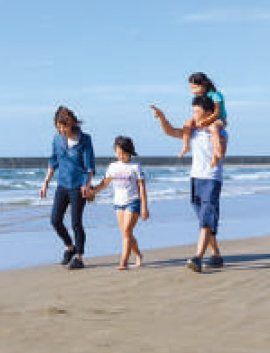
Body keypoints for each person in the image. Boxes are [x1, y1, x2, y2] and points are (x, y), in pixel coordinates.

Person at [151, 96, 226, 273]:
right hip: (195, 179)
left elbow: (221, 151)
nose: (193, 115)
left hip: (212, 178)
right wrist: (162, 117)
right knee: (204, 220)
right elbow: (170, 131)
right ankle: (216, 254)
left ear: (208, 113)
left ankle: (198, 258)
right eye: (192, 111)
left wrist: (215, 137)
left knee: (206, 219)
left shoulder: (218, 131)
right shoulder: (192, 131)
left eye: (196, 112)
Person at [40, 106, 95, 270]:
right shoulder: (57, 139)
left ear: (71, 123)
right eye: (59, 127)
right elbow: (53, 161)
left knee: (76, 222)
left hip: (79, 186)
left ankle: (79, 257)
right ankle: (70, 247)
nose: (62, 130)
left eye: (64, 126)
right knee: (55, 220)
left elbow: (89, 166)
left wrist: (87, 185)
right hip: (63, 185)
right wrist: (46, 183)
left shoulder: (85, 139)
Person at [88, 136, 150, 270]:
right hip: (118, 203)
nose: (121, 156)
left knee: (127, 231)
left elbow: (142, 187)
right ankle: (139, 255)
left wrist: (144, 207)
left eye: (124, 153)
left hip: (133, 202)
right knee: (126, 234)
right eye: (118, 152)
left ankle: (124, 262)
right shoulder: (113, 166)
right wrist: (93, 191)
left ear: (130, 152)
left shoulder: (135, 167)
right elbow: (104, 183)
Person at [178, 72, 228, 167]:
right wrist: (194, 121)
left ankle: (216, 154)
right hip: (205, 119)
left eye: (195, 88)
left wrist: (207, 121)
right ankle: (185, 146)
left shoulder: (215, 95)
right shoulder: (199, 97)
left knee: (213, 129)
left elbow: (217, 112)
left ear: (204, 84)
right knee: (187, 123)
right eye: (191, 88)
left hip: (218, 119)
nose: (193, 91)